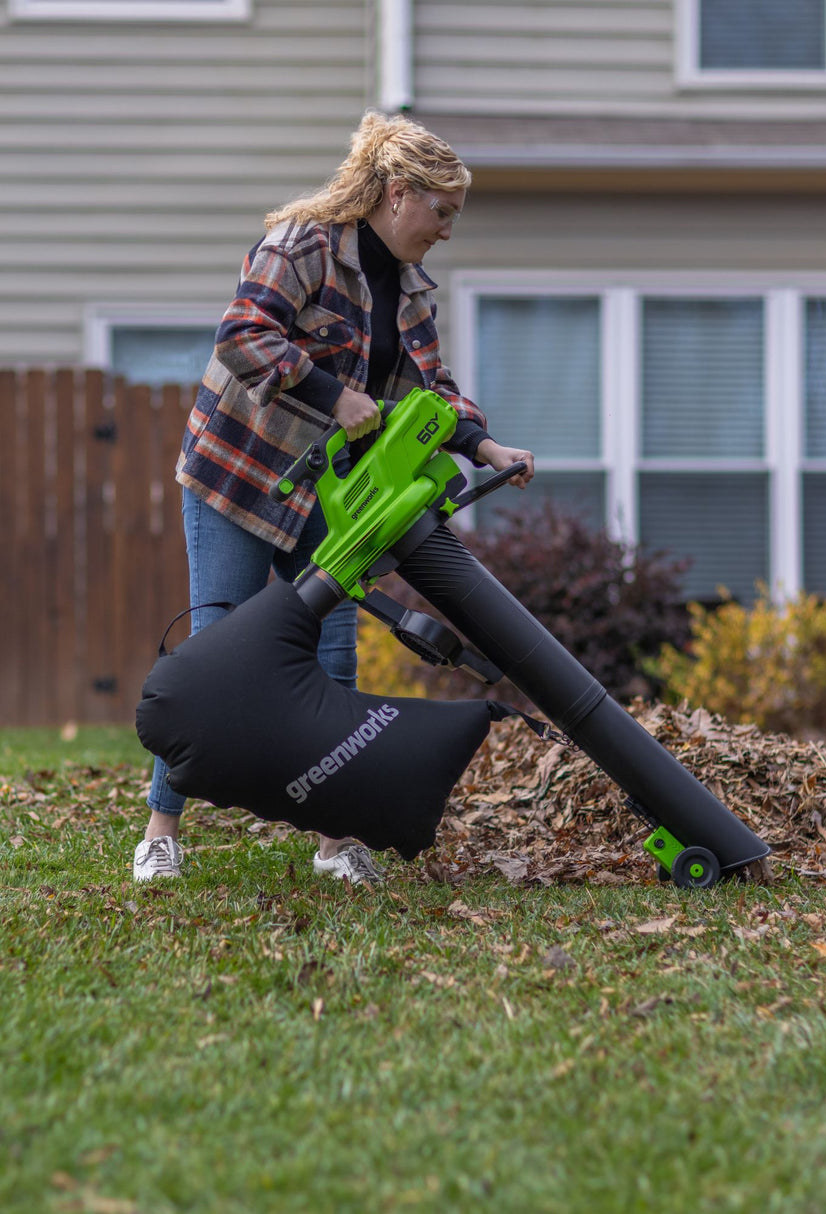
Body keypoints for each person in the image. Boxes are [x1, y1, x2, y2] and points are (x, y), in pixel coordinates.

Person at [134, 110, 534, 885]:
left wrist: (485, 445)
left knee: (335, 656)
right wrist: (333, 393)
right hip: (240, 476)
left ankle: (335, 840)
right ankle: (161, 832)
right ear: (395, 194)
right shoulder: (302, 244)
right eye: (441, 211)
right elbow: (241, 335)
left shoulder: (412, 287)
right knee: (218, 657)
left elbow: (431, 388)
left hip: (329, 498)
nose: (447, 230)